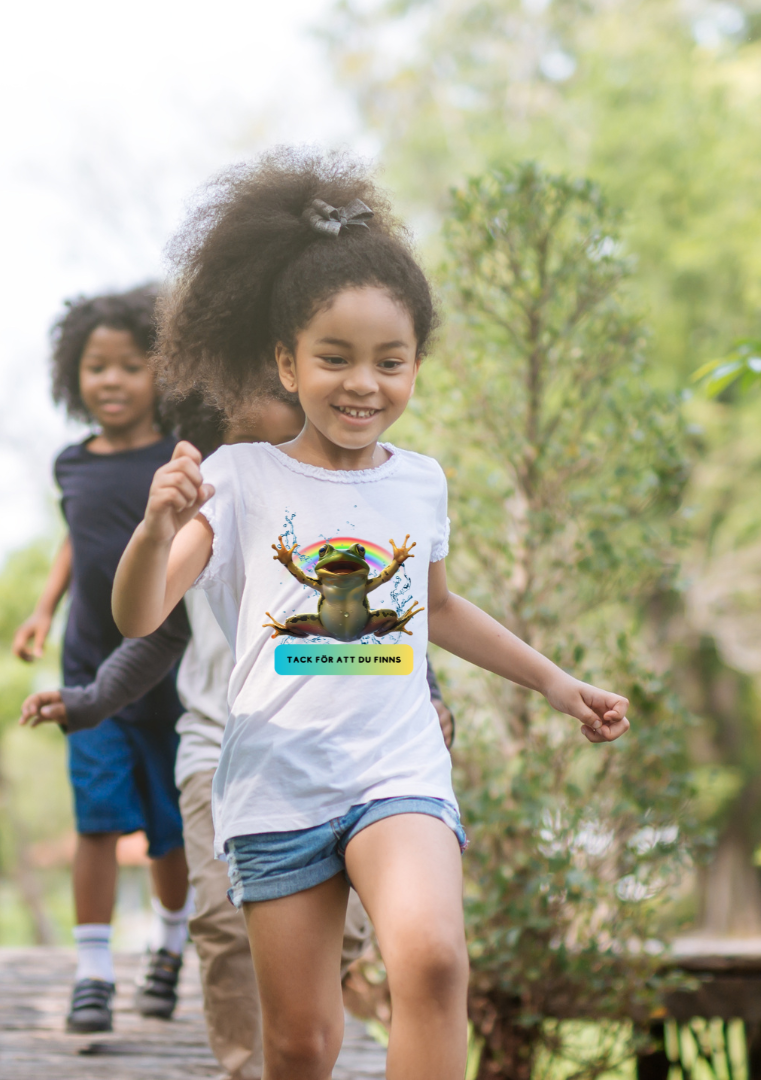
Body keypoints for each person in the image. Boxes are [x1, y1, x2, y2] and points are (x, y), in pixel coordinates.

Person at [111, 148, 630, 1080]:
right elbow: (139, 615)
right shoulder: (238, 478)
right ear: (286, 362)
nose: (363, 383)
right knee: (304, 1044)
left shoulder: (421, 483)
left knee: (431, 959)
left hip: (398, 772)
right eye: (335, 359)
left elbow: (436, 610)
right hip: (276, 786)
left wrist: (556, 682)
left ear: (415, 366)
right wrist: (156, 531)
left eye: (390, 362)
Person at [22, 389, 456, 1080]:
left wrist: (431, 698)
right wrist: (87, 702)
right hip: (221, 751)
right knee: (226, 928)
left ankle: (295, 1045)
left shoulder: (354, 498)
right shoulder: (219, 502)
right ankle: (246, 1066)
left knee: (338, 947)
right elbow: (151, 633)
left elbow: (402, 623)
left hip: (349, 764)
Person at [12, 286, 192, 1033]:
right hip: (88, 668)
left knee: (168, 828)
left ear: (163, 373)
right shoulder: (71, 463)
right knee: (96, 820)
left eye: (129, 365)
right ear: (73, 375)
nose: (111, 380)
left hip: (167, 676)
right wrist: (43, 607)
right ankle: (92, 972)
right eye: (96, 367)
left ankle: (169, 949)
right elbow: (73, 537)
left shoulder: (179, 457)